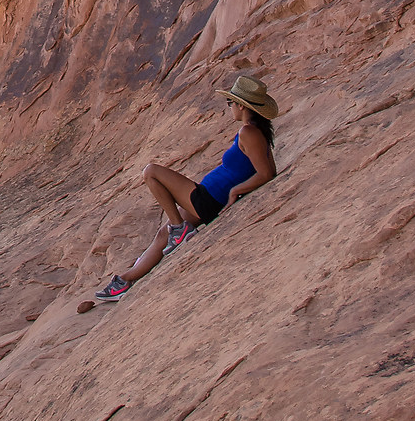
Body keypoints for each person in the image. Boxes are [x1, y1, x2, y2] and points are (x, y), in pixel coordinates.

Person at [95, 73, 280, 301]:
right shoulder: (254, 130)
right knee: (162, 234)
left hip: (209, 198)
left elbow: (267, 173)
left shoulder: (249, 132)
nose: (229, 107)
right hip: (208, 197)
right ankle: (124, 282)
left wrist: (235, 191)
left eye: (230, 103)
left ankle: (179, 229)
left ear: (242, 106)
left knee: (151, 172)